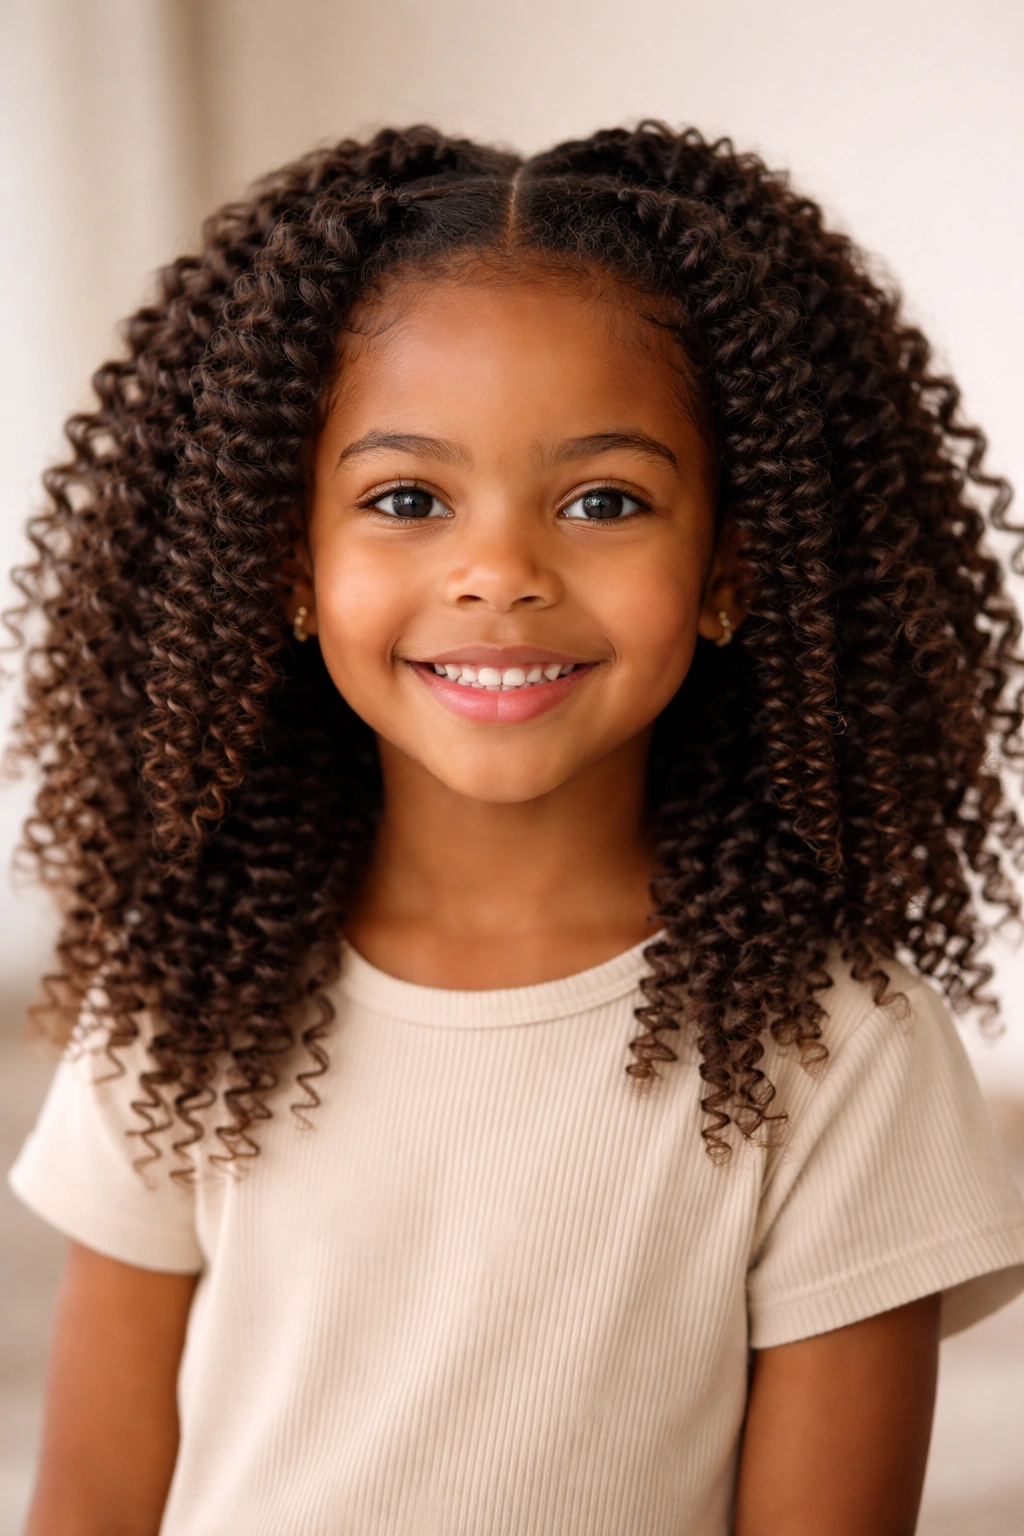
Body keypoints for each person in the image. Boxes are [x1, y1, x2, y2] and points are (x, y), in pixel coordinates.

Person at [8, 121, 1024, 1536]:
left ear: (731, 568)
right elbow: (88, 1508)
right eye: (405, 499)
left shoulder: (837, 1045)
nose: (499, 573)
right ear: (287, 563)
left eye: (604, 501)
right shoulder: (187, 1002)